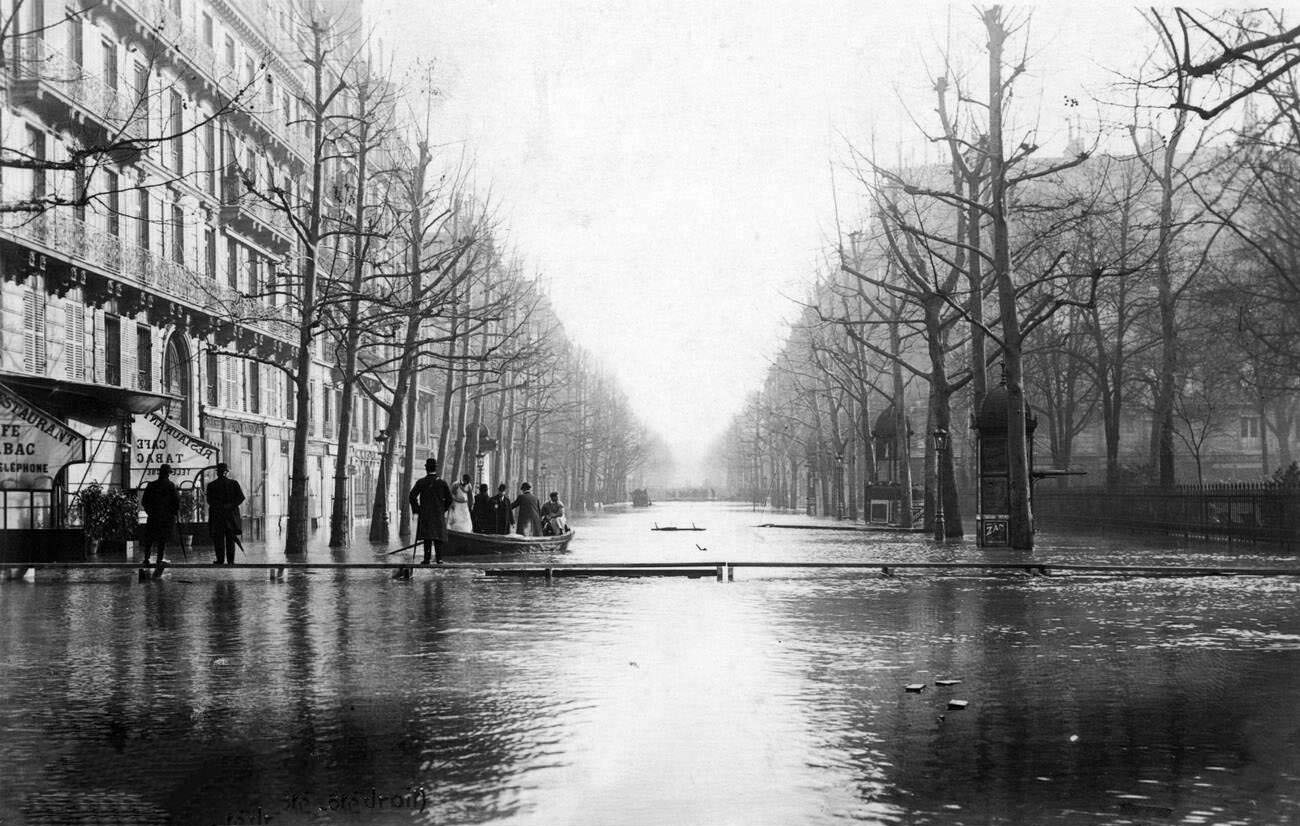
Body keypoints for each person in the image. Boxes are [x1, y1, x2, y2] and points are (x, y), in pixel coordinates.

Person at [408, 457, 452, 564]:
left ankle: (426, 559)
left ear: (426, 469)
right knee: (438, 537)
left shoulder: (421, 482)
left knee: (427, 537)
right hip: (438, 514)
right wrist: (443, 509)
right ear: (436, 469)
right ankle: (439, 559)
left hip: (425, 514)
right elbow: (449, 499)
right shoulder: (442, 483)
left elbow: (412, 496)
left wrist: (417, 509)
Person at [140, 464, 180, 566]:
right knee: (162, 539)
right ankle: (159, 559)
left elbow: (144, 501)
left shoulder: (151, 485)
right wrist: (173, 513)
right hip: (166, 518)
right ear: (168, 474)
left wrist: (150, 511)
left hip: (153, 516)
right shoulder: (171, 486)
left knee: (150, 538)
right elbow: (176, 502)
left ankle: (146, 558)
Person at [206, 462, 245, 565]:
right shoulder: (234, 484)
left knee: (218, 539)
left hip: (217, 516)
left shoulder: (211, 485)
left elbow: (209, 501)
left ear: (217, 473)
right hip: (230, 516)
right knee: (230, 539)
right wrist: (231, 506)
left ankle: (220, 560)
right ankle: (230, 561)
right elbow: (241, 498)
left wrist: (219, 507)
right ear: (226, 472)